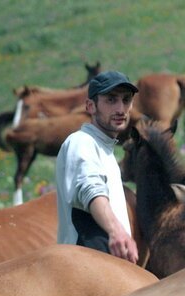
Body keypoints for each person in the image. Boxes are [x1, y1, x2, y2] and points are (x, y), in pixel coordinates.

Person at [55, 70, 139, 263]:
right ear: (90, 106)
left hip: (101, 265)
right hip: (86, 265)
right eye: (111, 100)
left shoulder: (104, 150)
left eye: (126, 100)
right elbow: (91, 189)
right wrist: (117, 232)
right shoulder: (81, 142)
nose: (120, 109)